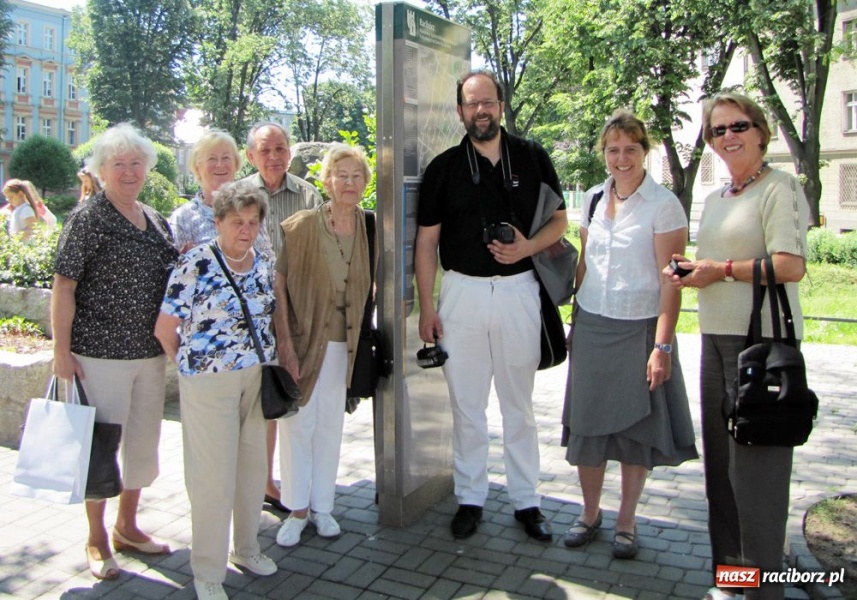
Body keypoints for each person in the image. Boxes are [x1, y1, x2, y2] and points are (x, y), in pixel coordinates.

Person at [667, 92, 810, 600]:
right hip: (716, 343)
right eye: (717, 131)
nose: (728, 137)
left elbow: (790, 265)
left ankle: (764, 591)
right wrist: (692, 270)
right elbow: (717, 265)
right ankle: (732, 581)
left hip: (763, 347)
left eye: (738, 126)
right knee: (722, 474)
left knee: (758, 481)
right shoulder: (718, 198)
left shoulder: (780, 187)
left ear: (761, 132)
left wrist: (719, 271)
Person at [414, 70, 566, 541]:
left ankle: (527, 501)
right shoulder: (442, 168)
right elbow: (426, 242)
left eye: (488, 102)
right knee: (467, 405)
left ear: (501, 104)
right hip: (462, 294)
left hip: (520, 289)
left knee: (518, 405)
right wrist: (426, 306)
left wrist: (527, 248)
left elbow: (560, 220)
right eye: (471, 103)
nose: (481, 110)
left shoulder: (532, 156)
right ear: (460, 111)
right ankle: (471, 498)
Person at [561, 110, 698, 559]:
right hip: (594, 323)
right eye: (613, 149)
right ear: (604, 153)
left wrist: (662, 346)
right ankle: (589, 513)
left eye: (631, 149)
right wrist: (574, 317)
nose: (622, 158)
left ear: (645, 152)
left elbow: (670, 281)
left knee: (637, 431)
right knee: (587, 428)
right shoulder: (595, 199)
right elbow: (585, 260)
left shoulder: (663, 205)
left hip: (641, 328)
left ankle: (626, 521)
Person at [51, 123, 178, 581]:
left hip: (149, 354)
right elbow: (63, 285)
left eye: (136, 163)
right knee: (100, 448)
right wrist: (60, 351)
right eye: (118, 163)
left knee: (143, 445)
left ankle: (127, 526)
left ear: (148, 168)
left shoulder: (155, 217)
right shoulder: (88, 218)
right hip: (98, 354)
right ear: (101, 170)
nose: (128, 171)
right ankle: (97, 536)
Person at [155, 180, 278, 600]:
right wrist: (193, 369)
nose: (244, 228)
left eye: (251, 221)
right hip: (208, 382)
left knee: (251, 469)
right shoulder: (196, 264)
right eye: (236, 221)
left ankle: (247, 549)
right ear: (218, 222)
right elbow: (165, 329)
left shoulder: (260, 262)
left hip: (254, 376)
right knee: (212, 478)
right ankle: (207, 570)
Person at [271, 143, 373, 548]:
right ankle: (295, 510)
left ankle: (323, 506)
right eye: (340, 175)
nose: (348, 183)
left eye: (356, 176)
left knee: (331, 425)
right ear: (326, 181)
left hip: (344, 347)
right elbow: (278, 284)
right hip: (304, 342)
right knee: (298, 425)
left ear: (366, 183)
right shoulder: (300, 226)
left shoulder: (368, 227)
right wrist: (284, 342)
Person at [242, 121, 322, 511]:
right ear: (250, 155)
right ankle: (257, 479)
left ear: (289, 152)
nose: (274, 156)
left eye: (280, 148)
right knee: (251, 401)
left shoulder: (308, 195)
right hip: (248, 317)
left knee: (285, 397)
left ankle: (281, 481)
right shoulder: (239, 196)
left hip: (295, 313)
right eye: (265, 149)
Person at [169, 130, 273, 257]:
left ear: (236, 164)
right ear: (197, 168)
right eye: (212, 159)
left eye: (226, 158)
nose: (220, 164)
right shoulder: (183, 218)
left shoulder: (251, 210)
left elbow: (269, 264)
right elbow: (175, 270)